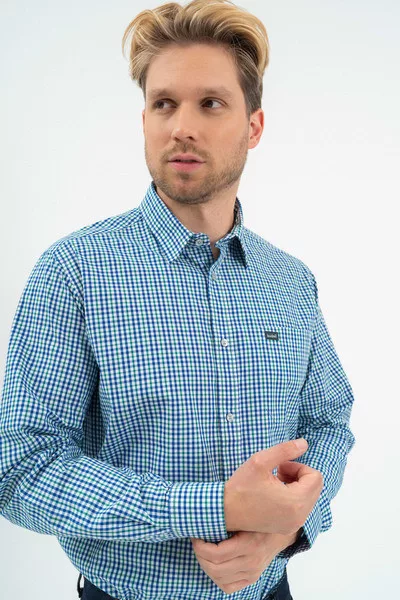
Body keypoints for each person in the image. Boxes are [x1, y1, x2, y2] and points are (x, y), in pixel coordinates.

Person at [0, 1, 356, 599]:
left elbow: (328, 423)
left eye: (211, 103)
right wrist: (213, 507)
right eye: (164, 104)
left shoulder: (290, 280)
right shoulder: (75, 273)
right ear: (144, 119)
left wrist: (284, 531)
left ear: (254, 127)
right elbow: (20, 469)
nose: (180, 127)